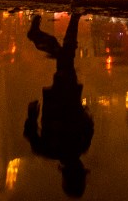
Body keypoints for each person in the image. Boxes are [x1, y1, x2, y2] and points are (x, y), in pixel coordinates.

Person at [24, 13, 93, 197]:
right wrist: (32, 115)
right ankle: (63, 25)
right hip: (58, 98)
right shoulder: (48, 150)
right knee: (65, 55)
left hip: (68, 94)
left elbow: (89, 122)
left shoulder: (81, 145)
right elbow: (30, 134)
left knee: (66, 55)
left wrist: (84, 112)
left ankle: (66, 23)